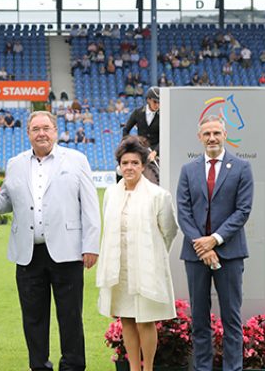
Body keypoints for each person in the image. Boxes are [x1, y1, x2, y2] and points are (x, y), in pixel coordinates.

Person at [0, 111, 100, 371]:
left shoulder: (76, 160)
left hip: (68, 251)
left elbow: (90, 206)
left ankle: (73, 366)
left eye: (46, 128)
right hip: (28, 254)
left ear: (55, 131)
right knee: (33, 319)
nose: (41, 133)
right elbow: (4, 202)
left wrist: (91, 246)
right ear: (27, 133)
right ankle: (39, 366)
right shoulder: (16, 163)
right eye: (35, 129)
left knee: (70, 317)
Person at [176, 115, 253, 371]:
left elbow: (243, 211)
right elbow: (183, 212)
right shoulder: (188, 170)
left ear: (224, 135)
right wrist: (202, 245)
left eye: (216, 133)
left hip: (229, 254)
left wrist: (214, 240)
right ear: (200, 137)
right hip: (195, 255)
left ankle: (233, 368)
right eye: (207, 133)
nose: (212, 138)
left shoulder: (241, 167)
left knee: (231, 318)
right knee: (199, 319)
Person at [96, 136, 178, 371]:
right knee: (127, 319)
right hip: (119, 268)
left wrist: (154, 256)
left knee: (145, 321)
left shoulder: (158, 195)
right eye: (125, 163)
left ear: (143, 166)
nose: (129, 167)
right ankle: (133, 367)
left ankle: (148, 367)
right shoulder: (111, 193)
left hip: (146, 267)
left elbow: (169, 231)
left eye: (134, 163)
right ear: (119, 166)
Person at [123, 86, 161, 158]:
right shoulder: (137, 112)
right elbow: (126, 130)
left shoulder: (162, 115)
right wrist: (127, 146)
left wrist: (155, 152)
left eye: (159, 102)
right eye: (155, 102)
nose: (157, 105)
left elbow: (164, 137)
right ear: (148, 100)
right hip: (141, 150)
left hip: (156, 153)